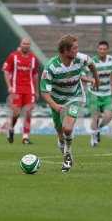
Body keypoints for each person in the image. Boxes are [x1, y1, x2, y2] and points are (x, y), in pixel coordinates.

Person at [40, 34, 100, 173]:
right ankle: (63, 145)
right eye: (74, 48)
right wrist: (55, 105)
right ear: (65, 51)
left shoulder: (80, 58)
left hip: (75, 97)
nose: (77, 51)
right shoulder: (51, 67)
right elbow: (44, 91)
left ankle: (67, 156)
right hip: (57, 101)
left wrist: (96, 80)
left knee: (68, 128)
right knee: (61, 133)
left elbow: (92, 64)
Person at [2, 38, 39, 144]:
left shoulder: (33, 58)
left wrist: (36, 91)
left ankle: (25, 137)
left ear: (30, 45)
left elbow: (35, 75)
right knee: (16, 113)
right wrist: (9, 86)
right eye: (24, 43)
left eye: (28, 44)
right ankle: (11, 129)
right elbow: (6, 71)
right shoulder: (13, 56)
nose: (26, 45)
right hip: (16, 89)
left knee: (28, 112)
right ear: (20, 44)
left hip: (29, 89)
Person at [85, 40, 112, 147]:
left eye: (104, 49)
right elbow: (83, 75)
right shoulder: (91, 61)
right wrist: (91, 80)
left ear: (107, 50)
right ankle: (93, 138)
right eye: (100, 49)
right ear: (97, 50)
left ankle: (97, 130)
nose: (102, 51)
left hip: (106, 93)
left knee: (109, 116)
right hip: (94, 93)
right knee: (95, 116)